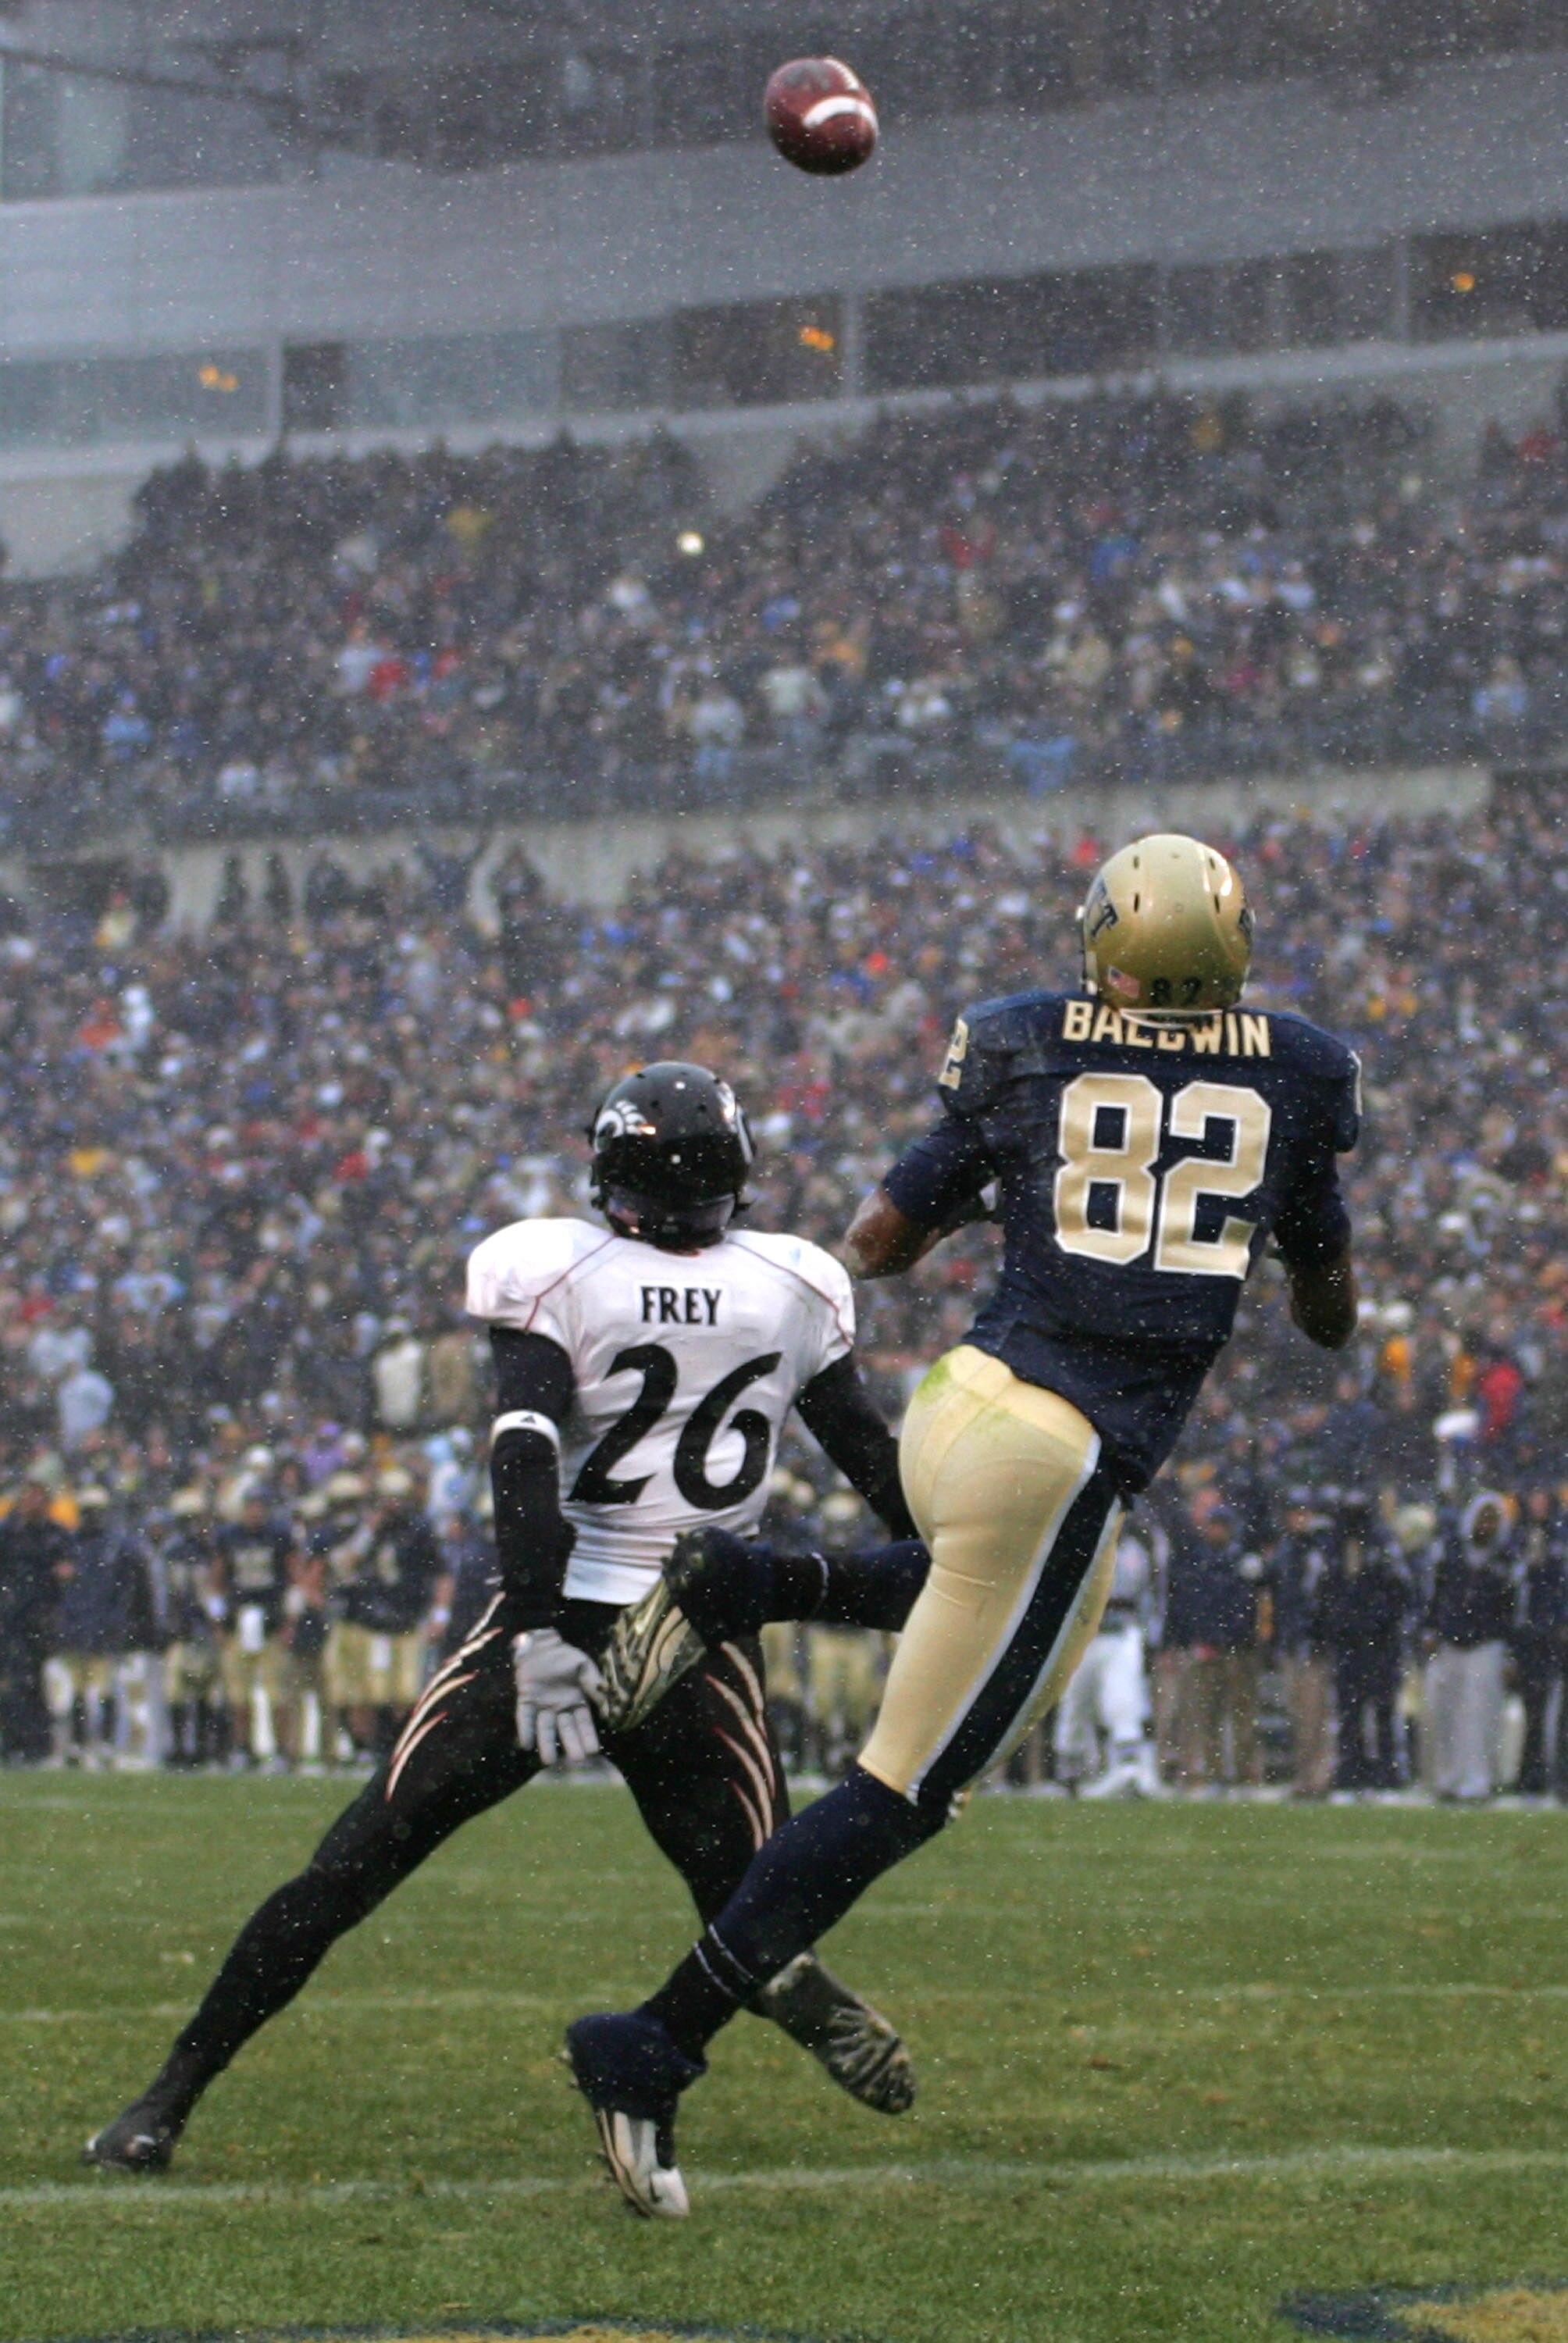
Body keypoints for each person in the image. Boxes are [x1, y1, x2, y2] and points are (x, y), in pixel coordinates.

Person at [569, 830, 1360, 2216]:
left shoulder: (1019, 1041)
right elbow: (1325, 1308)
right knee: (900, 1790)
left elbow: (878, 1240)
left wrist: (1023, 1176)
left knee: (948, 1583)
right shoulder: (1296, 1070)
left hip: (964, 1400)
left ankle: (739, 1582)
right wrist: (1264, 1244)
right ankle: (649, 2047)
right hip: (1064, 1449)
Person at [84, 1061, 920, 2177]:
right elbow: (870, 1458)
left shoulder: (555, 1264)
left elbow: (522, 1453)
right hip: (704, 1623)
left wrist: (533, 1629)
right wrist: (952, 1556)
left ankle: (165, 2101)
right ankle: (778, 1987)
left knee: (348, 1869)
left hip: (568, 1606)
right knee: (747, 1908)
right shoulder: (796, 1282)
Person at [1052, 1514, 1160, 1797]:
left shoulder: (1138, 1549)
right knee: (1075, 1702)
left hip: (1122, 1631)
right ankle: (1070, 1769)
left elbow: (1150, 1594)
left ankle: (1130, 1772)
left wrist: (1151, 1634)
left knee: (1123, 1702)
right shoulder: (1077, 1547)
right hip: (1083, 1634)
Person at [1313, 1491, 1410, 1795]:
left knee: (1382, 1709)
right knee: (1349, 1711)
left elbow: (1398, 1591)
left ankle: (1386, 1770)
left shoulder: (1382, 1546)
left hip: (1380, 1642)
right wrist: (1337, 1625)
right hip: (1348, 1642)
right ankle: (1351, 1769)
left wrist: (1375, 1621)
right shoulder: (1333, 1547)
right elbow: (1323, 1593)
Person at [1423, 1490, 1516, 1802]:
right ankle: (1448, 1778)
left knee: (1480, 1714)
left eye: (1493, 1519)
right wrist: (1431, 1628)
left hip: (1487, 1644)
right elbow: (1435, 1594)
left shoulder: (1506, 1559)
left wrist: (1509, 1649)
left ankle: (1477, 1781)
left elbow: (1511, 1607)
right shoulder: (1451, 1553)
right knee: (1446, 1712)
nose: (1487, 1525)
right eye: (1483, 1518)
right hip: (1451, 1641)